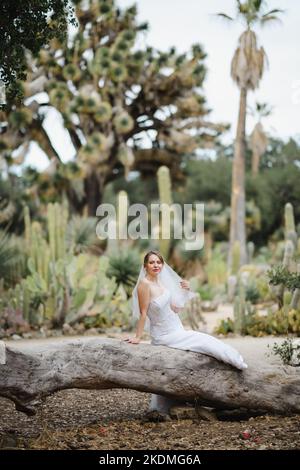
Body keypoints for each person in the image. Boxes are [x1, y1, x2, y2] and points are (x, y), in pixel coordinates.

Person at [124, 250, 248, 414]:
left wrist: (185, 291)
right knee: (202, 339)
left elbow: (174, 308)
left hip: (176, 328)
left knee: (201, 340)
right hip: (164, 335)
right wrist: (138, 337)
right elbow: (143, 313)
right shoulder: (144, 285)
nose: (156, 265)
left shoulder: (161, 283)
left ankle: (236, 360)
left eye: (158, 262)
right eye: (152, 262)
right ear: (145, 266)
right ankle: (235, 361)